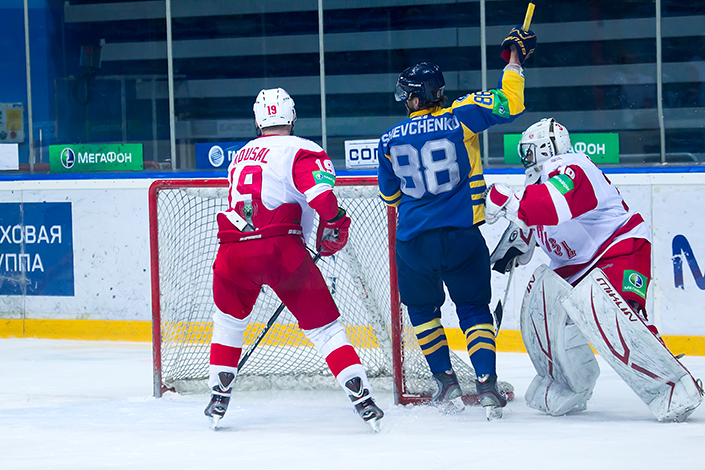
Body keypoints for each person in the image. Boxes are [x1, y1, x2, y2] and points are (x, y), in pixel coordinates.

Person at [484, 118, 703, 421]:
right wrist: (511, 246)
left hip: (617, 250)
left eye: (529, 152)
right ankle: (568, 385)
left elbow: (552, 205)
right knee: (541, 302)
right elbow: (527, 232)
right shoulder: (537, 186)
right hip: (574, 271)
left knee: (616, 316)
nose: (526, 160)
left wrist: (507, 201)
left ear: (546, 148)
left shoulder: (572, 166)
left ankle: (674, 386)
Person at [376, 26, 536, 419]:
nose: (405, 102)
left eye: (408, 96)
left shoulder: (389, 139)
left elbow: (391, 198)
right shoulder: (461, 116)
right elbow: (512, 103)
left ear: (417, 98)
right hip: (462, 236)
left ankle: (446, 382)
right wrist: (514, 60)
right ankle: (486, 384)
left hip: (413, 243)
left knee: (422, 312)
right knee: (474, 309)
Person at [204, 87, 384, 431]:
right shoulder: (303, 149)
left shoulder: (239, 155)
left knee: (228, 321)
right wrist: (336, 222)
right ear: (292, 116)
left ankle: (218, 396)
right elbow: (321, 198)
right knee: (325, 330)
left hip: (233, 252)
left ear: (258, 120)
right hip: (282, 251)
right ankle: (362, 399)